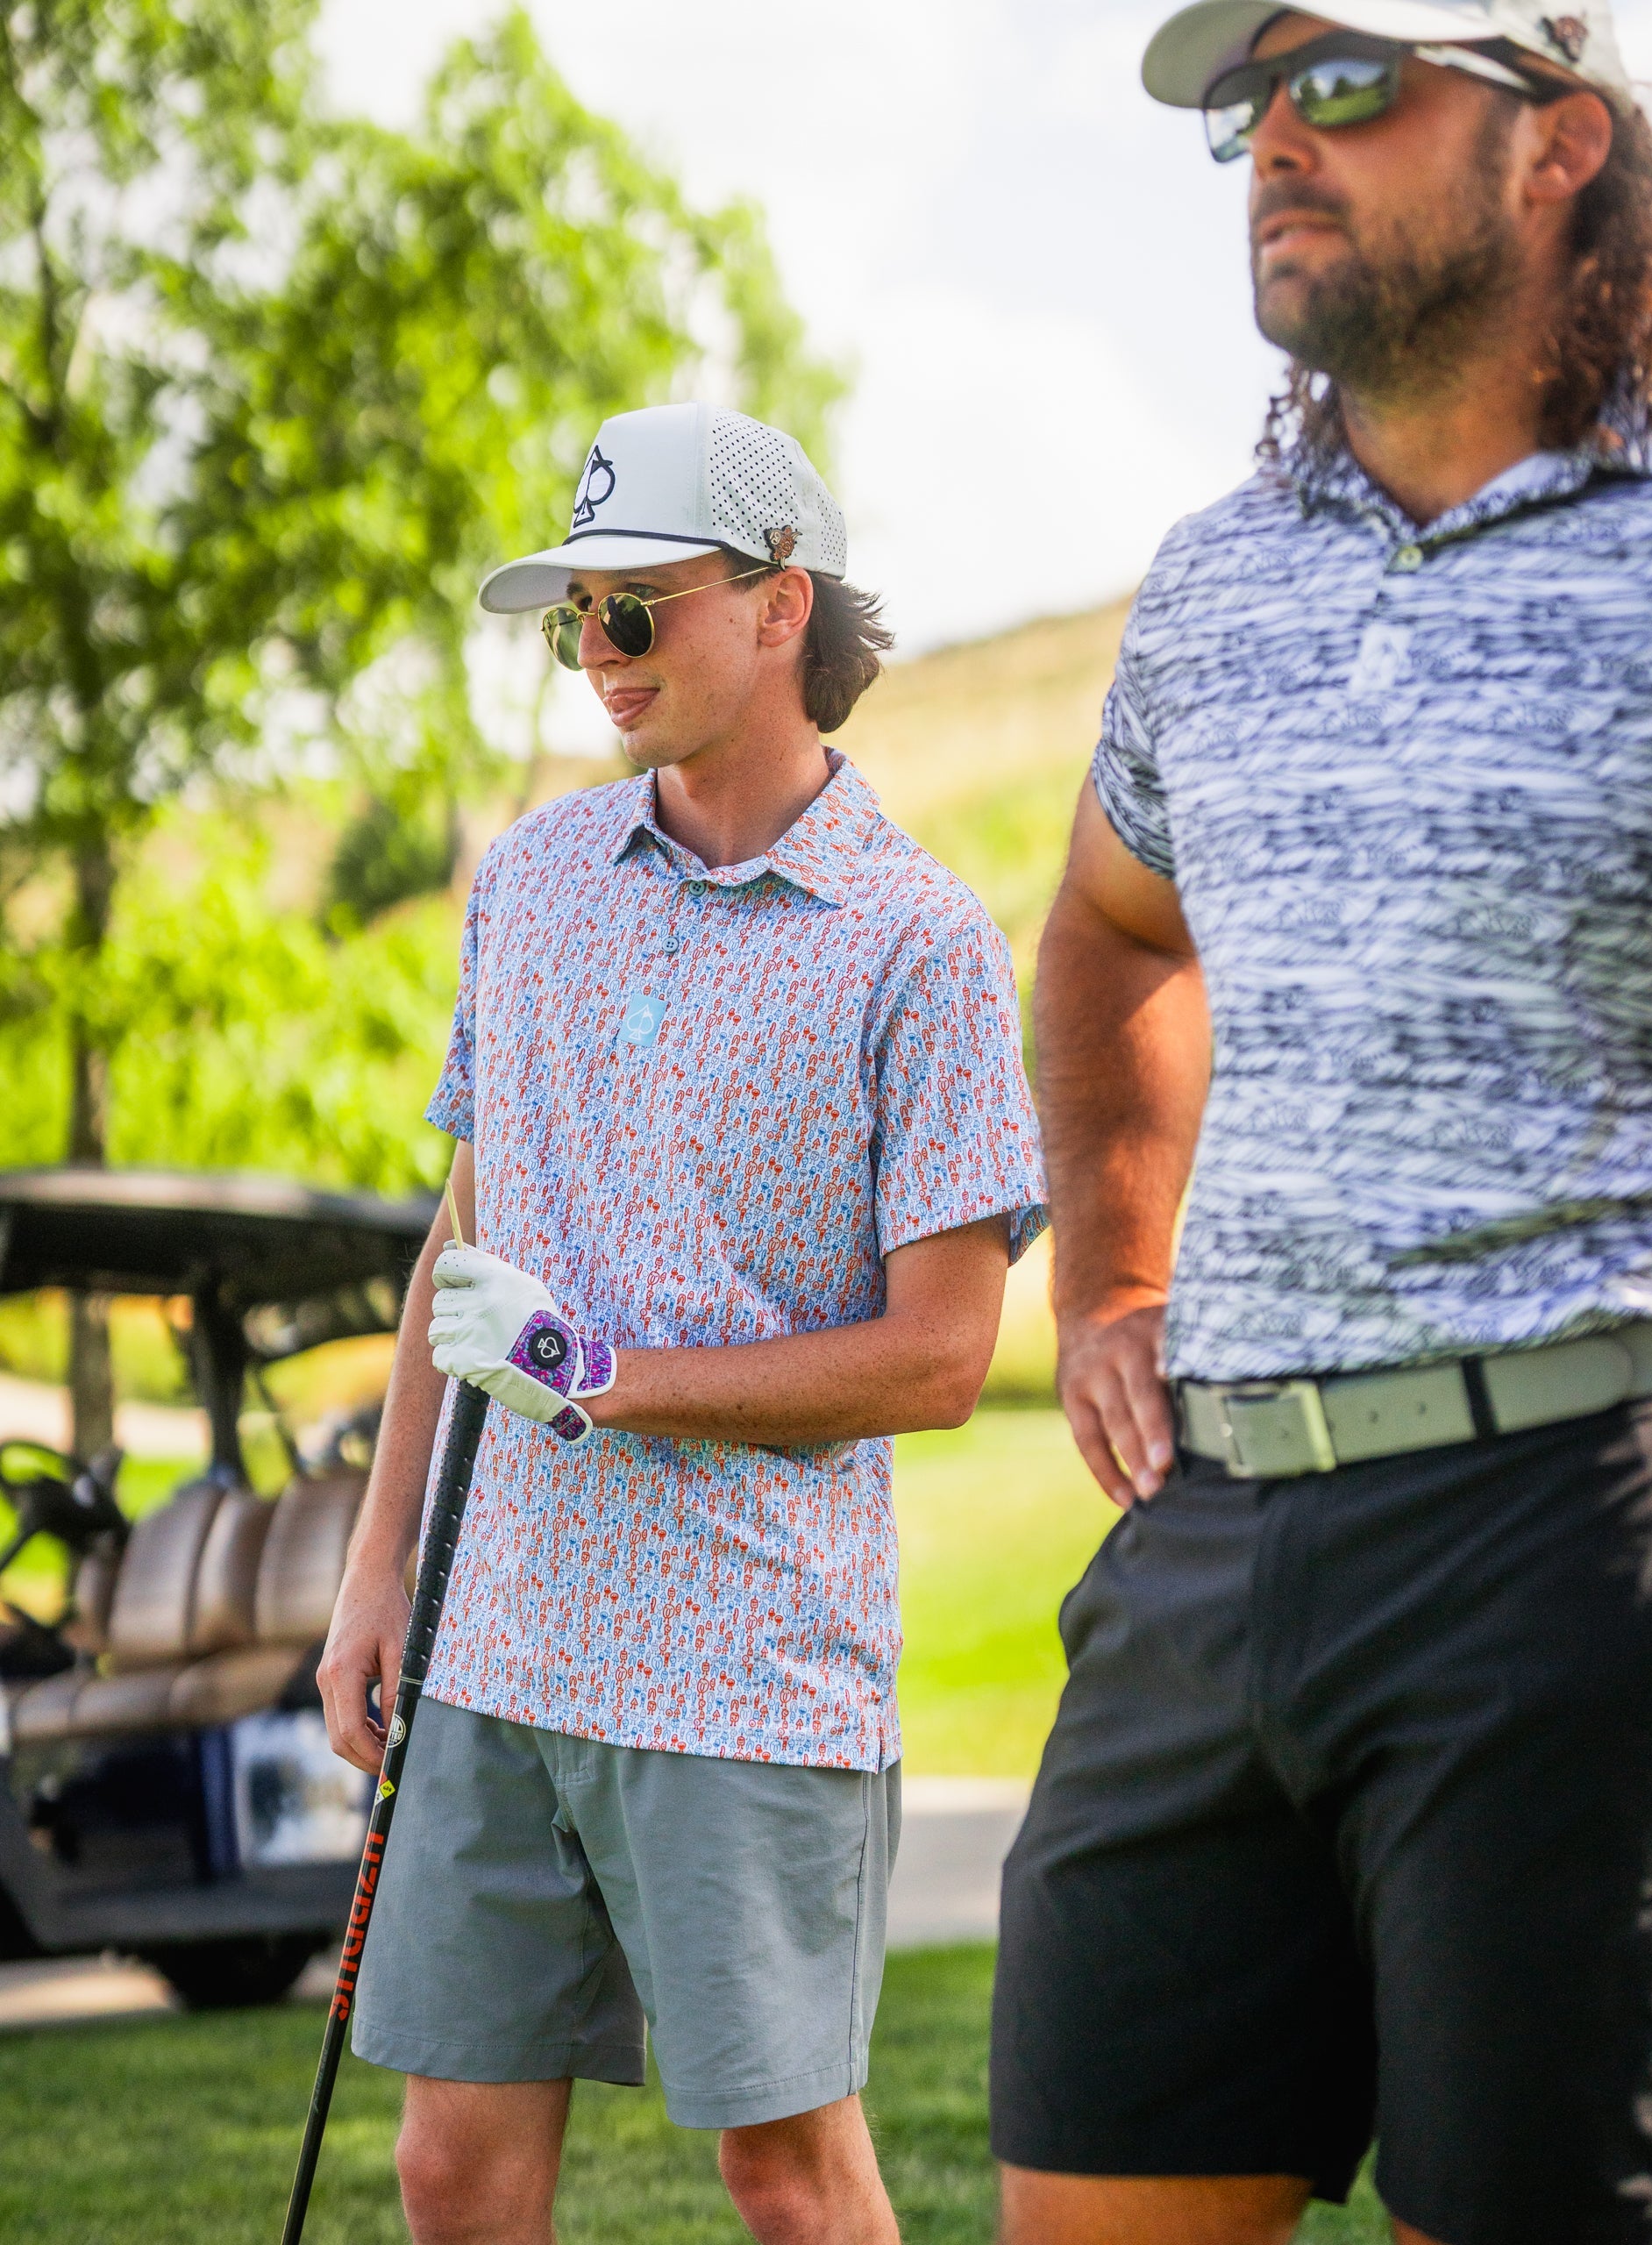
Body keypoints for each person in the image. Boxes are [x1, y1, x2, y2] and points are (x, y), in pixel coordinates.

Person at [989, 5, 1652, 2242]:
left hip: (1572, 1536)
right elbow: (1113, 932)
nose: (1279, 131)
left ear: (1559, 144)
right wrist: (1112, 1274)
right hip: (1207, 1542)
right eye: (1250, 101)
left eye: (1353, 80)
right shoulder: (1216, 579)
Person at [318, 401, 1046, 2245]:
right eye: (578, 616)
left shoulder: (920, 943)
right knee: (447, 2168)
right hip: (497, 1647)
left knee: (787, 2175)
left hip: (747, 1670)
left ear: (782, 604)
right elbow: (464, 1240)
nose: (599, 652)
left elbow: (943, 1356)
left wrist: (598, 1378)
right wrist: (376, 1566)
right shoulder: (532, 881)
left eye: (634, 609)